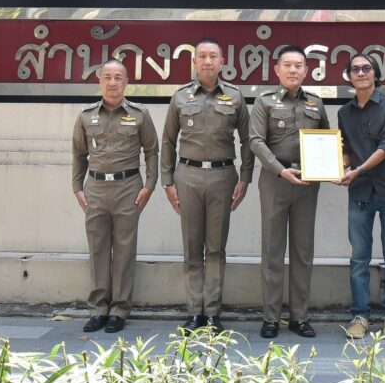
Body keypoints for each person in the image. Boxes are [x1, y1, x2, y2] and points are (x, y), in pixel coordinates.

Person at [161, 38, 254, 333]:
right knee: (192, 247)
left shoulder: (235, 97)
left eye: (213, 56)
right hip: (187, 176)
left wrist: (245, 178)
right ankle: (194, 312)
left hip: (222, 176)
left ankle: (212, 312)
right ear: (194, 62)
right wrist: (167, 181)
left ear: (222, 62)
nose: (207, 61)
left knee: (215, 248)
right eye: (202, 56)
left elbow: (248, 141)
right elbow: (168, 141)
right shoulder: (180, 97)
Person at [72, 59, 159, 333]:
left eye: (118, 77)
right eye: (107, 77)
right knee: (98, 248)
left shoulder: (140, 114)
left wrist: (150, 184)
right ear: (100, 81)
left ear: (126, 82)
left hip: (128, 188)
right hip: (96, 188)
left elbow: (152, 151)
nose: (112, 83)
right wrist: (77, 187)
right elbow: (79, 154)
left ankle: (119, 310)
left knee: (124, 249)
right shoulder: (86, 116)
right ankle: (98, 308)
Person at [249, 45, 330, 339]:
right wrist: (279, 170)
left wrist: (332, 166)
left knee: (302, 250)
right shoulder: (264, 102)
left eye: (298, 66)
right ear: (277, 69)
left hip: (307, 183)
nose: (293, 70)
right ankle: (271, 317)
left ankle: (299, 316)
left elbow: (326, 139)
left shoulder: (316, 103)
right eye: (288, 65)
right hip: (276, 180)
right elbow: (255, 141)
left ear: (306, 71)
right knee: (272, 250)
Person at [336, 52, 385, 340]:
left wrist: (357, 170)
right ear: (349, 76)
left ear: (376, 74)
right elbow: (346, 151)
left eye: (367, 68)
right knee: (359, 258)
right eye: (355, 69)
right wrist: (337, 166)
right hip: (360, 193)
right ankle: (360, 316)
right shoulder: (344, 113)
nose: (361, 73)